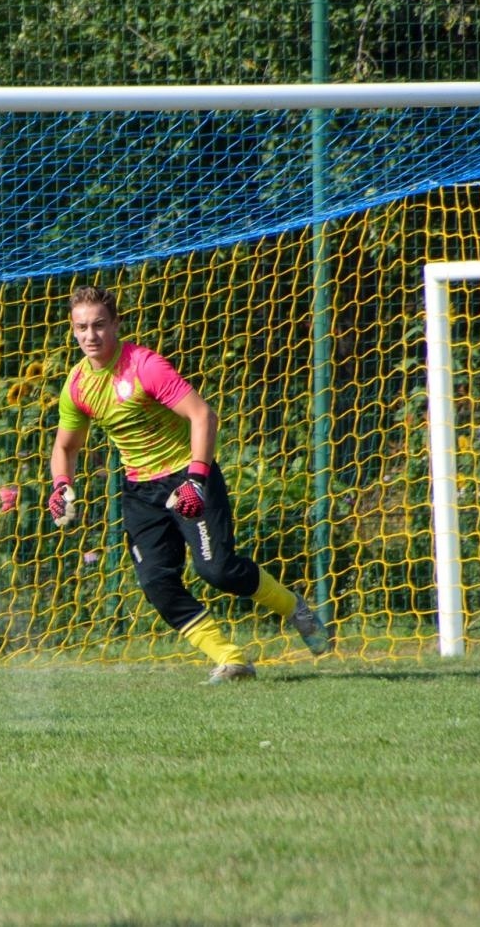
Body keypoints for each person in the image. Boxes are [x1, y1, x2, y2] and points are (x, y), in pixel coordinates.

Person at [47, 285, 330, 683]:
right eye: (81, 328)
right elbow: (65, 446)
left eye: (99, 325)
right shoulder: (77, 384)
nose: (90, 336)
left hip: (187, 475)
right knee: (156, 584)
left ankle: (294, 608)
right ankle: (231, 660)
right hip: (140, 490)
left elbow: (203, 417)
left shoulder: (145, 365)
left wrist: (196, 478)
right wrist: (61, 486)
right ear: (72, 331)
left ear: (116, 324)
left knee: (219, 571)